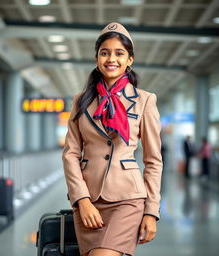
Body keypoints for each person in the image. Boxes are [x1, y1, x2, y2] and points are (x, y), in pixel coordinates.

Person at [62, 22, 163, 256]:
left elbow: (153, 161)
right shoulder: (81, 101)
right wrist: (82, 199)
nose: (111, 59)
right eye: (105, 53)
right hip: (88, 201)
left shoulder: (145, 100)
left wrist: (151, 211)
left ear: (130, 60)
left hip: (127, 200)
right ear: (97, 58)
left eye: (119, 53)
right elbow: (70, 154)